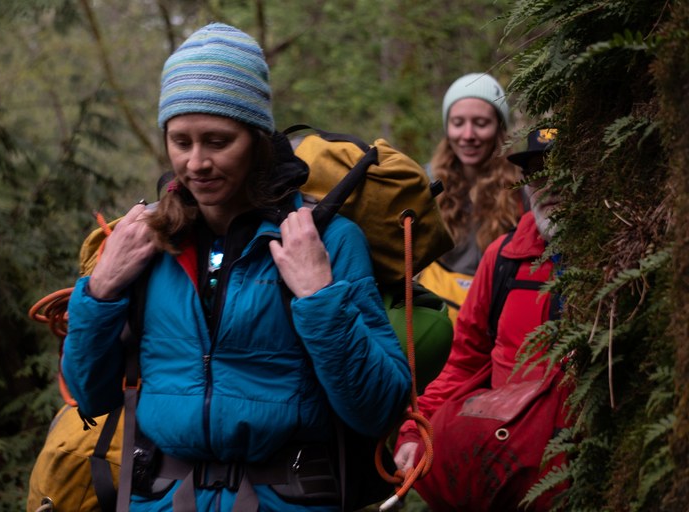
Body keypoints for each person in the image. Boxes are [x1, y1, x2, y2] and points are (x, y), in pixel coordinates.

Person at [61, 23, 411, 512]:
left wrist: (318, 297)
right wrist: (99, 290)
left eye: (217, 141)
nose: (196, 163)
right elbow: (89, 393)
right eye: (180, 141)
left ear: (257, 139)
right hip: (160, 497)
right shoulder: (149, 244)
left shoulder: (326, 240)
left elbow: (376, 409)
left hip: (286, 498)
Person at [394, 128, 571, 510]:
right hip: (505, 477)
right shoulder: (504, 257)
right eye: (538, 174)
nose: (549, 185)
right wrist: (413, 431)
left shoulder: (616, 255)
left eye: (562, 170)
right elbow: (461, 364)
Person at [417, 73, 524, 324]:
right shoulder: (423, 183)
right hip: (435, 320)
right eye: (457, 122)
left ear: (500, 128)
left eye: (480, 123)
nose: (468, 135)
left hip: (497, 317)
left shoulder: (524, 185)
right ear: (447, 128)